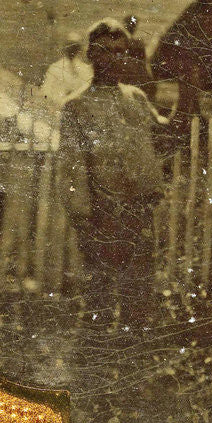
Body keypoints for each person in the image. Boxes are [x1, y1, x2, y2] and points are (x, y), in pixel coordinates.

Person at [57, 19, 166, 340]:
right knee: (99, 290)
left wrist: (188, 95)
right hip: (102, 212)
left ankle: (134, 349)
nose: (112, 59)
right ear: (91, 55)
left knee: (139, 285)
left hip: (138, 207)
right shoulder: (76, 106)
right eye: (103, 51)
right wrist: (83, 215)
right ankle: (94, 352)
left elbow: (161, 136)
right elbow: (71, 167)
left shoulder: (136, 99)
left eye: (119, 52)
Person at [39, 32, 93, 107]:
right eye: (70, 46)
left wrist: (69, 99)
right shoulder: (55, 67)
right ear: (65, 48)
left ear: (79, 49)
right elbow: (46, 90)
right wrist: (59, 100)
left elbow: (86, 90)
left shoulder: (86, 69)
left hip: (78, 108)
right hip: (57, 108)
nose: (72, 50)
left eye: (75, 47)